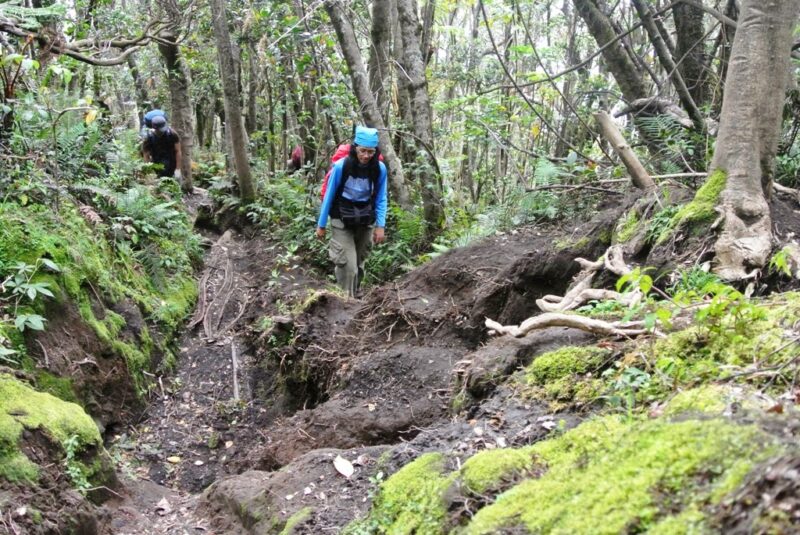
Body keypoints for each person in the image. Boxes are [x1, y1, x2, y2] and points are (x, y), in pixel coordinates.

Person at [316, 126, 388, 297]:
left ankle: (354, 295)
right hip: (341, 218)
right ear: (355, 147)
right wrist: (321, 225)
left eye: (370, 152)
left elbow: (381, 197)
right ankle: (345, 301)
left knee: (359, 263)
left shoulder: (379, 169)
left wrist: (381, 226)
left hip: (365, 219)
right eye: (362, 151)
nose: (365, 156)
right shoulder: (342, 166)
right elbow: (329, 195)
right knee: (348, 265)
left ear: (375, 151)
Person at [142, 115, 182, 179]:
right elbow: (146, 154)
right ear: (154, 128)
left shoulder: (172, 134)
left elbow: (178, 151)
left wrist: (178, 169)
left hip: (172, 165)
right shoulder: (149, 137)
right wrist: (149, 170)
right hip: (157, 165)